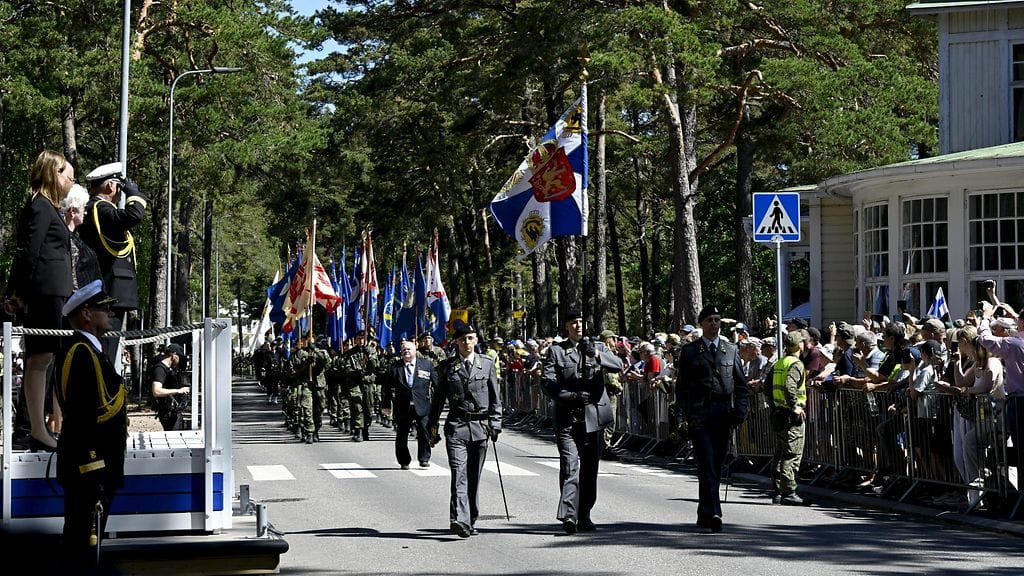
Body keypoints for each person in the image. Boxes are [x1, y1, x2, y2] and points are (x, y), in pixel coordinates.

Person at [4, 150, 75, 451]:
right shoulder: (41, 207)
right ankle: (35, 429)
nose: (72, 182)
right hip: (44, 293)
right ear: (54, 173)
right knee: (39, 359)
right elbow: (29, 253)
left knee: (44, 359)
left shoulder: (47, 207)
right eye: (69, 176)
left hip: (52, 293)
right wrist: (16, 293)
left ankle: (36, 428)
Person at [54, 279, 127, 570]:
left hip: (97, 468)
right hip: (89, 469)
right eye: (103, 309)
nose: (109, 314)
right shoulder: (81, 353)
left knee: (86, 543)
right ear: (86, 314)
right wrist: (93, 467)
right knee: (82, 544)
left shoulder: (91, 350)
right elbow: (82, 415)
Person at [542, 309, 622, 534]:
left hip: (593, 418)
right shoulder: (557, 351)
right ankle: (569, 515)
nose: (578, 326)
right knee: (570, 467)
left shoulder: (597, 347)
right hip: (568, 417)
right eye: (573, 323)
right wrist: (569, 396)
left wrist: (597, 354)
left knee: (590, 469)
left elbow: (617, 365)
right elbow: (548, 381)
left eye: (581, 322)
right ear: (567, 326)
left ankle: (584, 513)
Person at [675, 305, 750, 533]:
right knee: (706, 462)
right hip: (700, 413)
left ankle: (704, 511)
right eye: (709, 320)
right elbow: (682, 388)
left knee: (715, 464)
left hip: (722, 413)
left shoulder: (730, 349)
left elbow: (741, 385)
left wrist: (740, 411)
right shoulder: (690, 351)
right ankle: (715, 511)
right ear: (701, 323)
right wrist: (681, 418)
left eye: (717, 320)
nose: (714, 324)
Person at [427, 323, 501, 538]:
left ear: (476, 340)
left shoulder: (486, 364)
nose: (466, 343)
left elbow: (496, 398)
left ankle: (471, 517)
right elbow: (438, 400)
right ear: (456, 342)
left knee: (473, 476)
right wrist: (432, 427)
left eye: (470, 338)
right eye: (462, 340)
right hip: (457, 427)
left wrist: (495, 424)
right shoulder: (447, 367)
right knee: (459, 473)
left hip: (480, 427)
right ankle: (459, 518)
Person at [76, 161, 147, 334]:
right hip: (110, 287)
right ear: (110, 186)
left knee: (107, 346)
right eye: (119, 187)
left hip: (112, 288)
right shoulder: (99, 209)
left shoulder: (101, 210)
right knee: (105, 345)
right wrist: (134, 194)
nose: (120, 193)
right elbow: (134, 215)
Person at [384, 339, 439, 469]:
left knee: (424, 432)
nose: (406, 351)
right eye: (403, 349)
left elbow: (438, 384)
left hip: (422, 405)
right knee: (402, 434)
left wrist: (438, 403)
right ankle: (404, 460)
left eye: (409, 349)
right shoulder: (394, 367)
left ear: (415, 350)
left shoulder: (427, 365)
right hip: (402, 406)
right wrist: (385, 405)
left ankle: (424, 457)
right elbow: (386, 387)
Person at [770, 331, 807, 505]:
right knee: (791, 454)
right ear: (799, 345)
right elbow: (789, 386)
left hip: (779, 413)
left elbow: (766, 385)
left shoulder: (780, 362)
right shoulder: (796, 364)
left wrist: (773, 404)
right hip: (791, 416)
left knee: (780, 452)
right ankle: (789, 491)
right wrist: (795, 406)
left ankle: (778, 490)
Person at [150, 343, 190, 431]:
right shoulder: (160, 369)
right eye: (180, 358)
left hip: (172, 410)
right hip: (167, 411)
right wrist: (178, 391)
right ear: (174, 355)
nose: (180, 361)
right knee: (174, 438)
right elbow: (156, 391)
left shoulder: (168, 369)